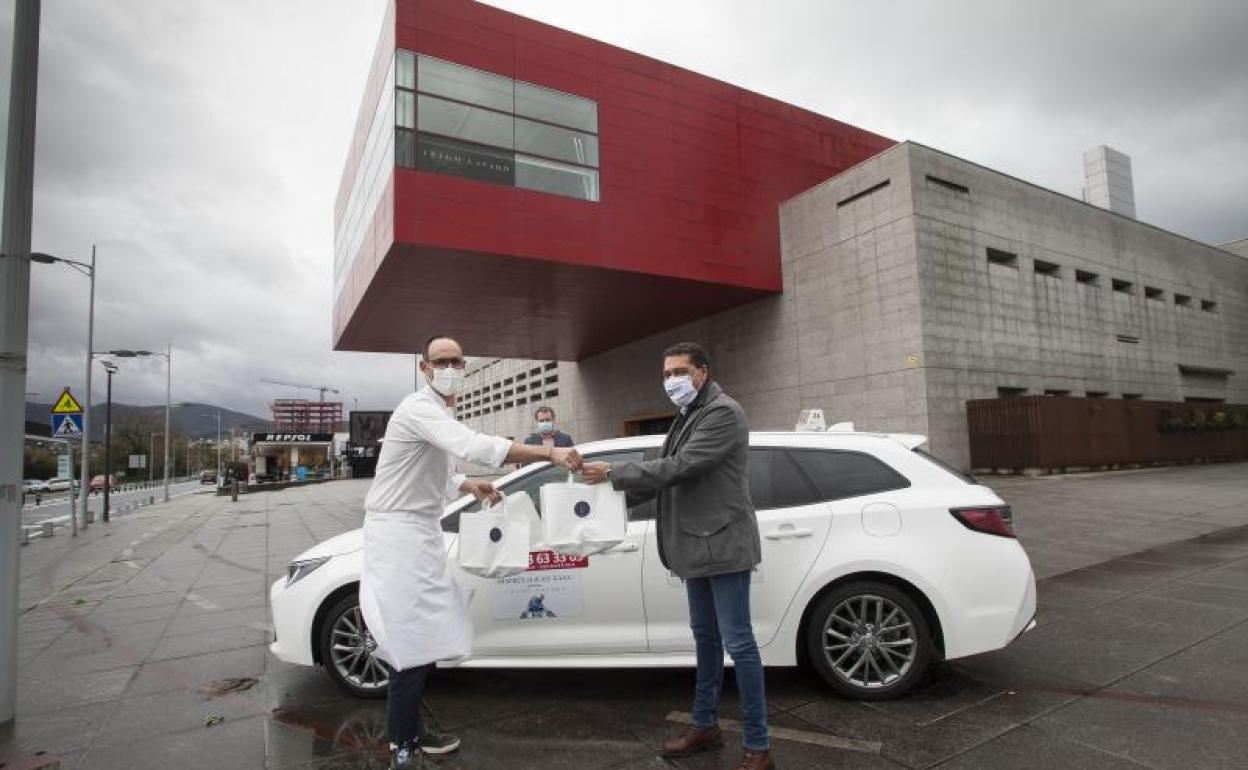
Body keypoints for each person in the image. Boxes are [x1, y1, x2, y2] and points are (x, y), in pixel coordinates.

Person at [361, 335, 582, 770]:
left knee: (429, 636)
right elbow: (474, 445)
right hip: (397, 535)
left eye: (457, 361)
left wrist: (467, 485)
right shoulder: (418, 408)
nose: (450, 368)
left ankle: (410, 729)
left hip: (420, 533)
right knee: (411, 640)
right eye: (441, 361)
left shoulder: (440, 413)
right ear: (425, 368)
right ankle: (402, 744)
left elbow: (434, 471)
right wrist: (548, 453)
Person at [582, 342, 771, 770]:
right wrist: (598, 505)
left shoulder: (722, 412)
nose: (671, 381)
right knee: (705, 638)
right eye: (666, 374)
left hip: (723, 545)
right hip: (696, 545)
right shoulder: (688, 416)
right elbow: (665, 478)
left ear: (702, 372)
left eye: (680, 372)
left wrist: (614, 473)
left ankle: (759, 748)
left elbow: (682, 466)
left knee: (739, 643)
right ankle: (705, 725)